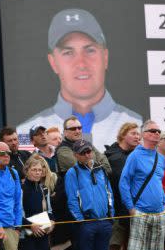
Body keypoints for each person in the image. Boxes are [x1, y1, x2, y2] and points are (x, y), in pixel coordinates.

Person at [17, 8, 143, 150]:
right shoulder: (25, 131)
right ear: (53, 62)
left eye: (90, 50)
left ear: (105, 57)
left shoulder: (138, 124)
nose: (81, 64)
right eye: (68, 52)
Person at [119, 120, 165, 250]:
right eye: (153, 131)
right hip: (139, 211)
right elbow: (124, 182)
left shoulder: (160, 158)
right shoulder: (134, 156)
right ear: (144, 134)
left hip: (158, 213)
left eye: (158, 131)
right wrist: (131, 207)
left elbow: (158, 183)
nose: (157, 134)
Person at [65, 140, 113, 250]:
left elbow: (109, 193)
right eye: (83, 152)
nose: (87, 155)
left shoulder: (101, 170)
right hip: (86, 223)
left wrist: (110, 215)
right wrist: (80, 220)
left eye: (89, 151)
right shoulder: (73, 173)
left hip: (104, 222)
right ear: (76, 155)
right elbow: (72, 199)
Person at [104, 122, 140, 250]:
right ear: (123, 134)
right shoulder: (112, 156)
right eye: (133, 133)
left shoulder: (137, 154)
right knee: (113, 248)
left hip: (134, 210)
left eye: (138, 134)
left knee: (130, 248)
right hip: (116, 211)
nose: (137, 136)